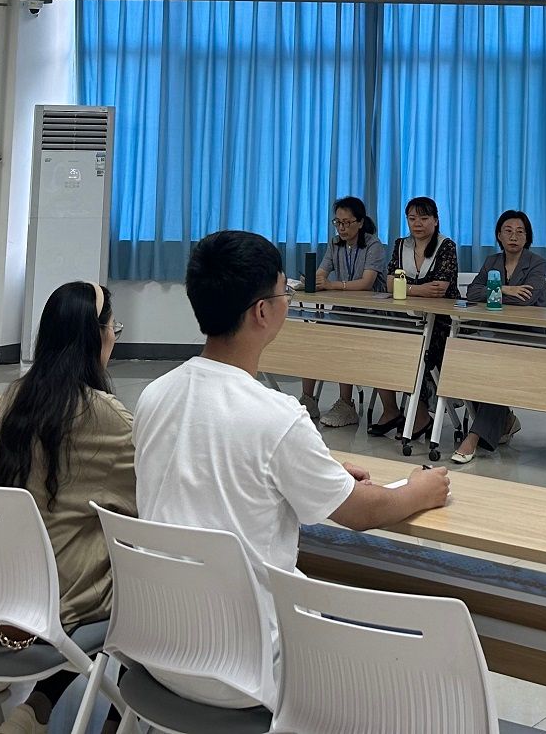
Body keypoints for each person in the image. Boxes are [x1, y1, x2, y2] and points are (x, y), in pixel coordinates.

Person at [135, 230, 449, 708]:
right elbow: (361, 512)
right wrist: (420, 489)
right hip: (246, 669)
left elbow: (218, 462)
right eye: (285, 291)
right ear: (263, 312)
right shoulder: (277, 416)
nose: (289, 300)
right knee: (409, 673)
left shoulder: (154, 395)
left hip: (160, 649)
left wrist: (317, 470)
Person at [0, 281, 134, 734]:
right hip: (61, 601)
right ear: (96, 337)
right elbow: (153, 497)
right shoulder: (105, 415)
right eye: (114, 328)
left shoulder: (15, 397)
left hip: (2, 590)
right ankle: (116, 723)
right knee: (150, 587)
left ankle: (35, 709)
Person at [452, 210, 546, 466]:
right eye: (508, 231)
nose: (514, 236)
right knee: (466, 358)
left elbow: (526, 299)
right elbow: (472, 293)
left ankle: (474, 437)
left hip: (530, 337)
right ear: (499, 235)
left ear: (527, 237)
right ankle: (504, 420)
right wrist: (506, 288)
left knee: (498, 367)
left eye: (520, 232)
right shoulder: (492, 261)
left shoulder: (537, 263)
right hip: (497, 333)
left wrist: (494, 293)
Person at [371, 195, 459, 442]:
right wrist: (418, 289)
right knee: (379, 346)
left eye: (424, 218)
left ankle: (420, 415)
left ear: (435, 220)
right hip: (405, 318)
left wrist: (406, 288)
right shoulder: (401, 245)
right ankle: (391, 410)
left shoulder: (446, 246)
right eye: (412, 218)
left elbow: (439, 289)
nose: (417, 223)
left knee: (415, 351)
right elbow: (390, 284)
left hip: (440, 321)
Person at [300, 197, 387, 427]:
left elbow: (366, 283)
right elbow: (322, 271)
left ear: (360, 222)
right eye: (337, 222)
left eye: (347, 223)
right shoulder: (335, 243)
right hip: (342, 309)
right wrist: (311, 280)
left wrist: (331, 285)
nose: (341, 228)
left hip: (371, 313)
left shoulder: (373, 245)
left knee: (343, 341)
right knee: (312, 339)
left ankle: (346, 404)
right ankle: (307, 400)